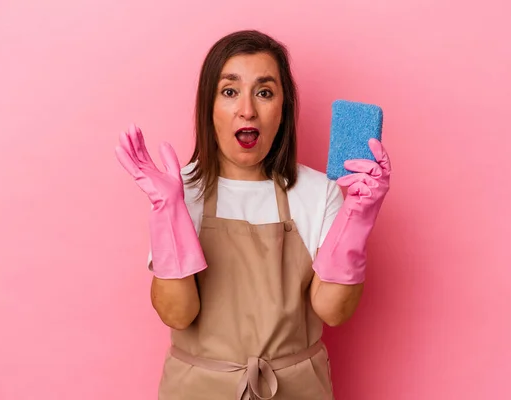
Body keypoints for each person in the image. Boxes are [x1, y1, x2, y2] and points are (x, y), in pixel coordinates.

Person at [115, 29, 391, 400]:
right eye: (230, 91)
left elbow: (332, 311)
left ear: (283, 108)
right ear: (209, 107)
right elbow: (177, 314)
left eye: (264, 92)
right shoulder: (179, 189)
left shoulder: (318, 191)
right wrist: (169, 212)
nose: (247, 109)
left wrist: (358, 218)